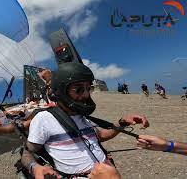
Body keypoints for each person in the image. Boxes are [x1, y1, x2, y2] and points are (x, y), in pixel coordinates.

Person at [21, 62, 149, 178]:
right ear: (60, 92)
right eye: (79, 90)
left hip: (108, 172)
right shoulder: (44, 119)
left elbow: (100, 136)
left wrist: (122, 123)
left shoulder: (82, 116)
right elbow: (27, 153)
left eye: (88, 88)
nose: (86, 95)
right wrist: (34, 167)